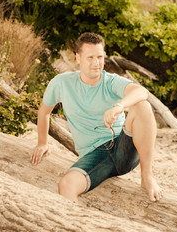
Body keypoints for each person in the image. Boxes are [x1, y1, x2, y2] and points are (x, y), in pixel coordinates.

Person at [31, 32, 163, 202]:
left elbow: (141, 91)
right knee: (66, 185)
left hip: (124, 148)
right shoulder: (61, 83)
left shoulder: (110, 81)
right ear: (78, 58)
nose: (96, 63)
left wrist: (119, 106)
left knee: (142, 104)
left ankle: (147, 177)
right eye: (90, 57)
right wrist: (42, 143)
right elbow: (44, 112)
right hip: (94, 156)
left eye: (100, 57)